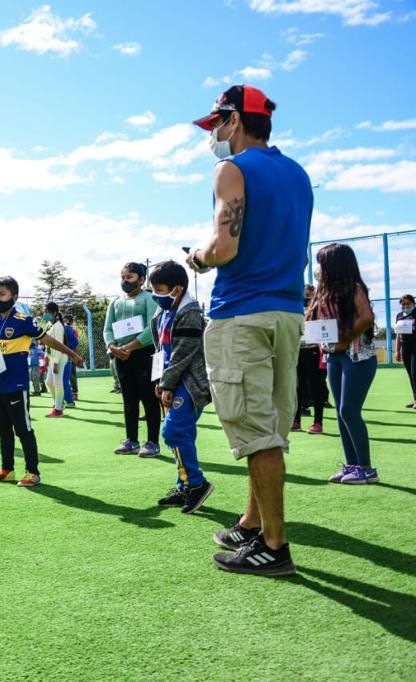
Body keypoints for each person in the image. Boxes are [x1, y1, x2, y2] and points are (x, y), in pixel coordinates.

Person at [188, 84, 312, 576]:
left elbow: (224, 248)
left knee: (255, 431)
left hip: (242, 312)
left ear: (235, 120)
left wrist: (195, 257)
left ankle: (274, 546)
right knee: (271, 425)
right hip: (287, 313)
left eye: (217, 123)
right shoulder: (297, 173)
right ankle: (252, 523)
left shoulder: (231, 168)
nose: (214, 134)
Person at [0, 276, 82, 487]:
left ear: (14, 296)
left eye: (2, 294)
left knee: (23, 429)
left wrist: (71, 354)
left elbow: (48, 340)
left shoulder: (24, 321)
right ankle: (6, 469)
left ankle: (33, 472)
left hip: (17, 386)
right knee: (3, 430)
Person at [148, 261, 215, 513]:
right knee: (182, 434)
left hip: (189, 382)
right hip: (170, 380)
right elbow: (160, 351)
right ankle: (185, 485)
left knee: (173, 431)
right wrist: (159, 380)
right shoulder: (162, 312)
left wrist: (167, 383)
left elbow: (183, 353)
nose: (156, 293)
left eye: (160, 288)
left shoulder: (190, 311)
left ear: (177, 289)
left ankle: (197, 484)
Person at [310, 244, 378, 484]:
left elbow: (366, 317)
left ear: (337, 265)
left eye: (323, 262)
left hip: (358, 357)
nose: (320, 268)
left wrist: (344, 340)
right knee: (341, 413)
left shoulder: (355, 288)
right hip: (334, 357)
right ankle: (352, 465)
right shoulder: (324, 291)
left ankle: (367, 468)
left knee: (349, 410)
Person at [104, 262, 162, 455]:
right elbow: (108, 328)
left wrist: (129, 346)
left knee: (149, 398)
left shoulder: (149, 298)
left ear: (141, 279)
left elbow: (151, 327)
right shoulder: (116, 302)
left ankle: (153, 442)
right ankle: (131, 440)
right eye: (122, 277)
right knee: (129, 399)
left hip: (144, 354)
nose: (124, 281)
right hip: (121, 356)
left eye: (129, 277)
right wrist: (112, 346)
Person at [293, 285, 328, 434]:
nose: (307, 297)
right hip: (297, 352)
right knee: (297, 388)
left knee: (316, 388)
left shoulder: (319, 308)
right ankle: (296, 421)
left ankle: (318, 422)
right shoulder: (294, 307)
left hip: (314, 351)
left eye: (310, 294)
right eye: (305, 294)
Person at [43, 302, 70, 418]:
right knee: (49, 382)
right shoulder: (49, 325)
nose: (45, 314)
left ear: (54, 313)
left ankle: (58, 410)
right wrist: (46, 355)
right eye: (44, 312)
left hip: (59, 357)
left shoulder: (58, 326)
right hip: (52, 357)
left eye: (47, 312)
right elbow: (47, 342)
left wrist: (56, 362)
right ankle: (58, 403)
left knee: (57, 383)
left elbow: (59, 345)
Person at [395, 293, 416, 408]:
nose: (406, 306)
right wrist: (397, 351)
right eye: (403, 304)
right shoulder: (399, 316)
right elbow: (398, 335)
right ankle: (415, 399)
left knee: (414, 374)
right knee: (410, 374)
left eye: (408, 304)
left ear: (413, 304)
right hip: (405, 348)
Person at [63, 320, 80, 404]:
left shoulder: (70, 329)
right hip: (60, 356)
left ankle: (74, 394)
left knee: (71, 376)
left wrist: (66, 348)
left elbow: (75, 342)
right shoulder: (53, 327)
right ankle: (64, 399)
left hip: (70, 356)